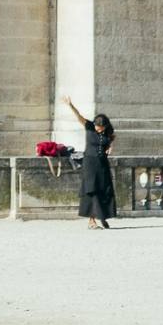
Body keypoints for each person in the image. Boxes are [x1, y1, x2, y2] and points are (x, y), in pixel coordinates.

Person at [63, 97, 115, 229]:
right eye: (98, 127)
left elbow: (111, 140)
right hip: (90, 164)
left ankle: (102, 216)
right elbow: (78, 116)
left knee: (104, 190)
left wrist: (110, 146)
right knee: (91, 190)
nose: (99, 130)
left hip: (103, 164)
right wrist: (71, 105)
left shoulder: (109, 133)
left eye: (102, 127)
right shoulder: (90, 127)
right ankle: (92, 221)